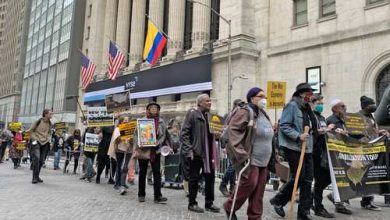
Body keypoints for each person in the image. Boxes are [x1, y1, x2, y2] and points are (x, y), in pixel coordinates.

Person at [223, 87, 273, 220]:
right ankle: (229, 206)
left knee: (259, 190)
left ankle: (255, 216)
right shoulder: (245, 112)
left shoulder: (263, 113)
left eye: (265, 96)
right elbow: (233, 132)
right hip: (250, 158)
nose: (264, 99)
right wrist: (241, 154)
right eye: (261, 96)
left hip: (264, 159)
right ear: (252, 98)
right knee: (249, 184)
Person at [270, 83, 317, 220]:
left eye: (311, 93)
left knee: (308, 180)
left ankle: (304, 213)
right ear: (301, 94)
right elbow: (284, 126)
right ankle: (279, 200)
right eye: (308, 93)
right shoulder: (292, 106)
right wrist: (298, 135)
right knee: (299, 177)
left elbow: (310, 127)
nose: (310, 96)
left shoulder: (308, 109)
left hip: (307, 148)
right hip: (294, 147)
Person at [180, 94, 220, 213]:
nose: (210, 102)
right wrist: (189, 150)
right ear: (200, 103)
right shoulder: (192, 113)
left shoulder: (212, 116)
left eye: (210, 100)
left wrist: (217, 135)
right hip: (196, 153)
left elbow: (215, 135)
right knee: (194, 179)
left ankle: (209, 203)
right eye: (207, 101)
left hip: (209, 154)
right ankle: (192, 203)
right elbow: (184, 134)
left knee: (210, 178)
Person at [134, 103, 170, 203]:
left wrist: (161, 142)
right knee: (142, 172)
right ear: (148, 110)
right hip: (144, 150)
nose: (154, 109)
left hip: (156, 150)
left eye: (156, 108)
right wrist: (139, 143)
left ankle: (157, 196)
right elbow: (136, 134)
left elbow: (165, 135)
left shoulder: (161, 122)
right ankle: (141, 194)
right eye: (152, 108)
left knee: (157, 173)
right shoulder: (142, 121)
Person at [310, 95, 335, 218]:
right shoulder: (311, 116)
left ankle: (313, 199)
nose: (321, 105)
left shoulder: (322, 117)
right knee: (319, 180)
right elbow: (314, 131)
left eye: (322, 103)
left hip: (323, 152)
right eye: (319, 103)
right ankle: (318, 207)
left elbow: (324, 131)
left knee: (327, 178)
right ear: (313, 103)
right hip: (314, 152)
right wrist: (326, 129)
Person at [219, 99, 244, 197]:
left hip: (235, 143)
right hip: (230, 143)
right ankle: (223, 184)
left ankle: (232, 187)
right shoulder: (231, 115)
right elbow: (225, 130)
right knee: (233, 166)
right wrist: (224, 145)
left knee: (233, 165)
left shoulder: (236, 115)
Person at [108, 116, 133, 195]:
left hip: (128, 149)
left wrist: (130, 138)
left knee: (125, 167)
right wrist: (123, 136)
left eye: (127, 120)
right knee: (119, 166)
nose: (126, 121)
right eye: (124, 120)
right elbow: (116, 140)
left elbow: (132, 140)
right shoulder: (117, 129)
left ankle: (123, 182)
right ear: (121, 121)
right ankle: (117, 183)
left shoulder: (130, 129)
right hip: (119, 149)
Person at [29, 109, 53, 184]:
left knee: (42, 160)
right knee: (37, 158)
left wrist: (48, 138)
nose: (52, 115)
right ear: (45, 114)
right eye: (50, 114)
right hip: (37, 142)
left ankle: (37, 176)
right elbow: (31, 130)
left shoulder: (50, 123)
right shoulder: (38, 121)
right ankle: (34, 178)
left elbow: (49, 132)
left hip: (45, 142)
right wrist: (34, 139)